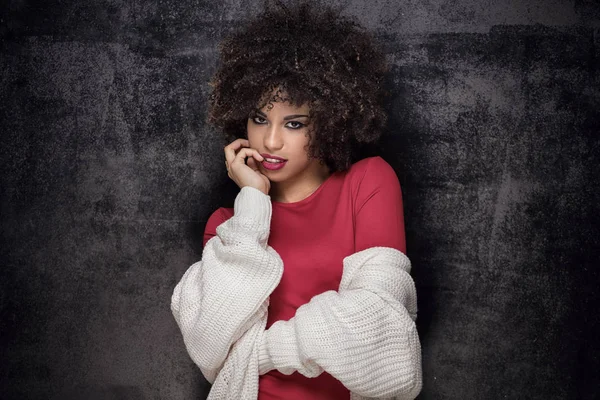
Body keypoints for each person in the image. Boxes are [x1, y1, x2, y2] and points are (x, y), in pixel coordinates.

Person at [171, 1, 422, 399]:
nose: (271, 141)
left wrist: (262, 351)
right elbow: (209, 347)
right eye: (259, 119)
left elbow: (382, 332)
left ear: (331, 120)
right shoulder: (230, 226)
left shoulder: (368, 183)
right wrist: (252, 200)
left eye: (293, 123)